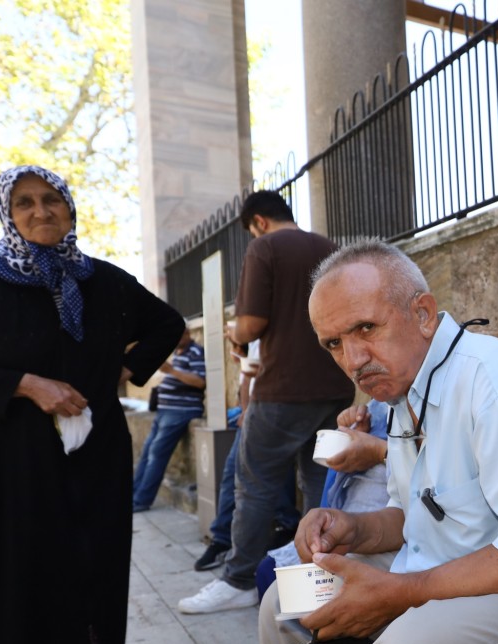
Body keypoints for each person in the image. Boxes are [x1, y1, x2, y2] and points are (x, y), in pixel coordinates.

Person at [259, 240, 498, 644]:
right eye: (333, 343)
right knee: (284, 601)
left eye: (366, 328)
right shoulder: (398, 388)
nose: (353, 360)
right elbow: (411, 515)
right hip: (436, 568)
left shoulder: (495, 382)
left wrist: (401, 592)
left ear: (423, 314)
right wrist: (353, 528)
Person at [0, 165, 185, 644]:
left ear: (70, 208)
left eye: (52, 199)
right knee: (27, 571)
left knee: (91, 565)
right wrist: (27, 384)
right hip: (16, 459)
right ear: (7, 215)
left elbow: (168, 324)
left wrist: (122, 371)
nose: (40, 211)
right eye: (25, 203)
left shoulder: (104, 280)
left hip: (97, 457)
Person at [178, 190, 355, 614]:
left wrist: (235, 334)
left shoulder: (265, 247)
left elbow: (252, 323)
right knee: (321, 483)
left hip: (281, 390)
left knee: (254, 484)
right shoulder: (331, 247)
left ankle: (239, 579)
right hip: (335, 385)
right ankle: (321, 573)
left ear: (257, 221)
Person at [257, 399, 393, 644]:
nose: (353, 362)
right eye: (335, 351)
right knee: (273, 581)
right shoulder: (380, 403)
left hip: (405, 548)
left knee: (283, 594)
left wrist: (381, 452)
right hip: (362, 525)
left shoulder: (465, 388)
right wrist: (354, 434)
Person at [194, 340, 299, 571]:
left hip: (272, 408)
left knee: (251, 475)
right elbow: (247, 374)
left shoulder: (272, 324)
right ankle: (223, 538)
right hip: (255, 410)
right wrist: (245, 410)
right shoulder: (255, 336)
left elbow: (255, 371)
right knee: (235, 474)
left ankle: (284, 527)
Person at [131, 326, 206, 512]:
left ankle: (141, 500)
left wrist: (171, 371)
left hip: (181, 411)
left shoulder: (196, 352)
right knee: (147, 452)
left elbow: (200, 381)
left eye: (178, 336)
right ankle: (133, 495)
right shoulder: (177, 352)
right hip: (165, 411)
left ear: (187, 334)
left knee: (156, 453)